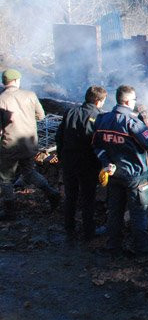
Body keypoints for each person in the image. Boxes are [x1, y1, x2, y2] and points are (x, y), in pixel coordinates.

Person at [93, 85, 148, 259]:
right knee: (139, 213)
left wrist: (106, 162)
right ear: (126, 101)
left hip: (114, 174)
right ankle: (143, 251)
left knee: (115, 212)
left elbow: (96, 146)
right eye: (133, 100)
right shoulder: (133, 123)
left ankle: (113, 247)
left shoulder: (103, 120)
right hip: (135, 176)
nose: (134, 103)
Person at [0, 68, 60, 220]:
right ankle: (52, 193)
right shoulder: (30, 95)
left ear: (4, 82)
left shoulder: (1, 99)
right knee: (29, 172)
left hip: (9, 145)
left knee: (6, 178)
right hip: (30, 143)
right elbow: (41, 116)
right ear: (17, 81)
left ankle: (9, 212)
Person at [55, 85, 107, 241]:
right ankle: (88, 232)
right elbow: (99, 143)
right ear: (99, 101)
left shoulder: (70, 112)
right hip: (88, 164)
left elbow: (59, 137)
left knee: (70, 196)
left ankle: (69, 228)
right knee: (87, 198)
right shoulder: (99, 117)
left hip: (69, 161)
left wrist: (62, 157)